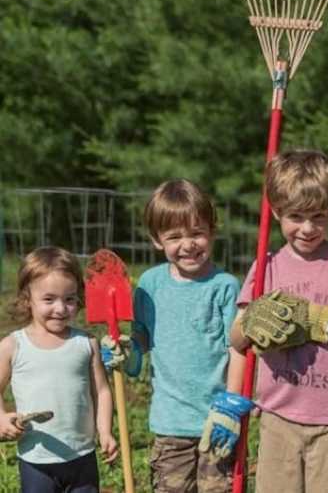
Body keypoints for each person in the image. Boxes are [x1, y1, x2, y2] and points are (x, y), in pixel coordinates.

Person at [230, 149, 328, 493]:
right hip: (277, 414)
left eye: (318, 216)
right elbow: (237, 339)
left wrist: (315, 321)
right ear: (277, 211)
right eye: (296, 216)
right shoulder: (266, 266)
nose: (308, 228)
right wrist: (253, 321)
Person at [104, 179, 250, 493]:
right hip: (170, 424)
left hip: (217, 422)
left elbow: (238, 348)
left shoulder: (224, 286)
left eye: (197, 233)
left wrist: (231, 405)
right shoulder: (149, 285)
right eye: (174, 237)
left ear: (212, 231)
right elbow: (142, 339)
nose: (188, 245)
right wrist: (126, 352)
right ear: (157, 240)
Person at [0, 246, 118, 492]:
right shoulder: (13, 345)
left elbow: (103, 392)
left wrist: (105, 431)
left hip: (82, 456)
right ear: (27, 299)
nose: (61, 308)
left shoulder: (86, 343)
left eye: (70, 299)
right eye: (49, 299)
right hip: (36, 459)